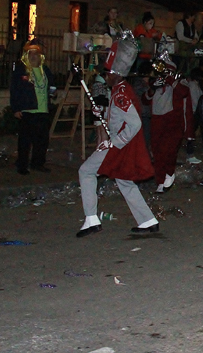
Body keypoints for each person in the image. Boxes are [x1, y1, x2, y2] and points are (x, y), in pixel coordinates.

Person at [76, 35, 158, 238]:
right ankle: (147, 220)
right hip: (120, 144)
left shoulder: (120, 93)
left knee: (86, 172)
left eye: (107, 72)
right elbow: (119, 117)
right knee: (124, 181)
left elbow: (134, 123)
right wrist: (101, 114)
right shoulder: (121, 90)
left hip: (118, 144)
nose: (105, 76)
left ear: (115, 73)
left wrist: (114, 142)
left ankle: (91, 219)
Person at [142, 53, 193, 193]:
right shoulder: (157, 83)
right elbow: (145, 99)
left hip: (173, 121)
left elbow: (184, 92)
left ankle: (169, 173)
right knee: (157, 152)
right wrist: (153, 87)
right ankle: (160, 180)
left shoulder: (179, 81)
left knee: (168, 151)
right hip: (157, 120)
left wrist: (170, 79)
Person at [10, 40, 55, 175]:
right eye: (31, 54)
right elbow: (15, 90)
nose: (33, 56)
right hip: (27, 110)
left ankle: (38, 163)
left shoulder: (45, 70)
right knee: (25, 141)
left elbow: (52, 85)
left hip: (43, 110)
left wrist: (52, 93)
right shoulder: (21, 71)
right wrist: (16, 108)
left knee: (41, 140)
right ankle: (22, 165)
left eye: (36, 54)